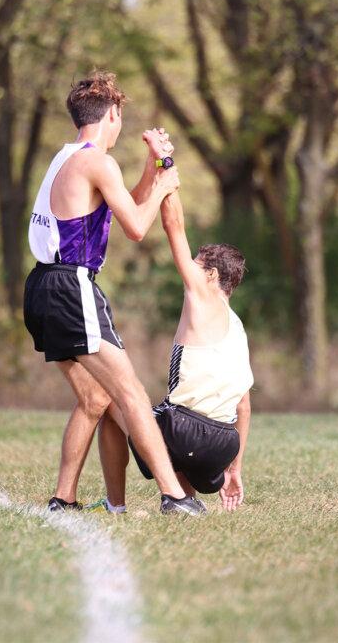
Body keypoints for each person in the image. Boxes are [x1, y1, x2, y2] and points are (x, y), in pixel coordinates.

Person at [22, 71, 202, 515]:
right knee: (131, 394)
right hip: (71, 287)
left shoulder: (69, 157)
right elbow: (139, 227)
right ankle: (174, 496)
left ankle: (63, 499)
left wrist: (153, 169)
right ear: (114, 115)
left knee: (95, 399)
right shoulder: (98, 163)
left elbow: (128, 203)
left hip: (42, 287)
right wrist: (165, 181)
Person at [90, 190, 252, 514]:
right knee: (170, 418)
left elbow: (174, 225)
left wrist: (167, 170)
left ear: (212, 275)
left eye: (196, 264)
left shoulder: (202, 296)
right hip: (223, 445)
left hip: (188, 434)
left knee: (109, 401)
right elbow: (244, 406)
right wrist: (234, 468)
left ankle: (116, 505)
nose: (188, 270)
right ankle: (185, 499)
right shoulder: (237, 328)